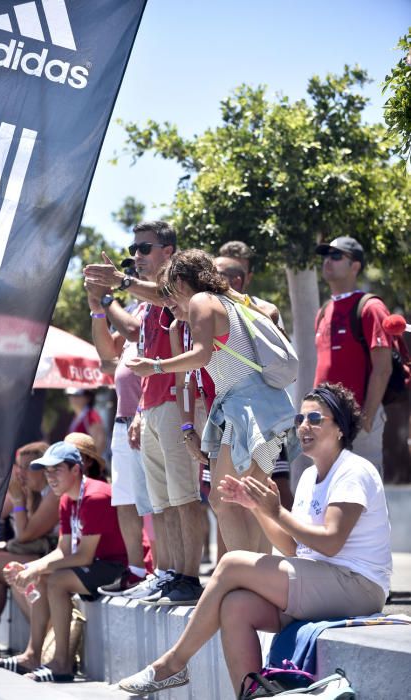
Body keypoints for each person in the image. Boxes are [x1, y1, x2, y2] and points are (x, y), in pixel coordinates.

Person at [118, 382, 392, 696]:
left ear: (341, 429)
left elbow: (330, 542)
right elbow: (294, 549)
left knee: (232, 563)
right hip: (323, 583)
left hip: (358, 586)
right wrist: (259, 510)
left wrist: (277, 513)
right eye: (299, 420)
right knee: (236, 606)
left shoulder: (353, 471)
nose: (304, 427)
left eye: (315, 420)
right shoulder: (307, 477)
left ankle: (173, 664)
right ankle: (252, 695)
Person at [127, 249, 296, 553]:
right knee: (249, 499)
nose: (167, 303)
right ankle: (261, 582)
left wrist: (154, 366)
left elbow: (202, 354)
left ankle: (246, 579)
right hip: (265, 407)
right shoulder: (228, 300)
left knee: (225, 498)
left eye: (167, 291)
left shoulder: (201, 301)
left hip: (247, 407)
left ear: (180, 281)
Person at [83, 221, 205, 607]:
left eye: (144, 248)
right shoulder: (146, 299)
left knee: (184, 497)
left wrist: (116, 287)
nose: (136, 256)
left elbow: (166, 299)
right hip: (151, 406)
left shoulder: (178, 288)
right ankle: (169, 574)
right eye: (134, 249)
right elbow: (126, 343)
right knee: (162, 502)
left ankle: (188, 575)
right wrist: (103, 302)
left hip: (176, 401)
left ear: (168, 251)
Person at [0, 441, 128, 681]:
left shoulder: (95, 496)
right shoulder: (66, 498)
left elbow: (84, 555)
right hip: (96, 562)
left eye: (56, 470)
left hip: (118, 567)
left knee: (56, 581)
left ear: (76, 470)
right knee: (45, 575)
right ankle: (33, 655)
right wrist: (30, 568)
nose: (50, 477)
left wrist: (36, 569)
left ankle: (62, 664)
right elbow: (63, 549)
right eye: (47, 471)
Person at [84, 285, 156, 594]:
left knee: (158, 502)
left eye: (142, 250)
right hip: (125, 418)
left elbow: (130, 330)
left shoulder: (161, 303)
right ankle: (137, 571)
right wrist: (97, 309)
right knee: (126, 499)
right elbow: (106, 355)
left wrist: (107, 299)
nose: (134, 263)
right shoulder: (137, 306)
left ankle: (164, 571)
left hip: (151, 413)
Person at [214, 250, 293, 510]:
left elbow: (271, 318)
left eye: (216, 274)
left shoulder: (259, 307)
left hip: (261, 411)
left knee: (260, 493)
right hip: (230, 412)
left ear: (237, 280)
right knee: (229, 499)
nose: (208, 278)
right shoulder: (212, 308)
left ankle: (285, 549)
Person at [0, 441, 58, 658]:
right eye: (19, 467)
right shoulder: (35, 492)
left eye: (27, 467)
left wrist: (17, 499)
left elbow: (25, 535)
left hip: (52, 559)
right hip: (38, 554)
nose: (21, 473)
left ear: (45, 469)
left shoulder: (53, 494)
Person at [314, 237, 393, 476]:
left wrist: (367, 418)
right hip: (325, 422)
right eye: (326, 256)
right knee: (327, 497)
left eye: (337, 256)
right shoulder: (324, 310)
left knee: (363, 497)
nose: (328, 261)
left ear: (355, 266)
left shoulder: (370, 307)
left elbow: (383, 368)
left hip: (358, 421)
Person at [65, 388, 106, 458]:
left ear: (88, 398)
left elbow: (100, 442)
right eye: (70, 395)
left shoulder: (91, 416)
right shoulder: (76, 416)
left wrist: (92, 463)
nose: (73, 398)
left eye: (77, 395)